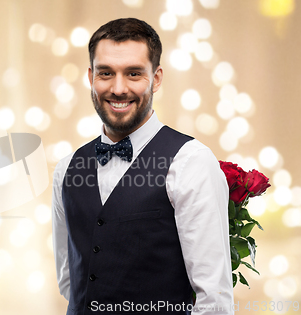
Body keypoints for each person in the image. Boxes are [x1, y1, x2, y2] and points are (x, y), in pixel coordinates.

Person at [51, 18, 234, 314]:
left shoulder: (191, 161)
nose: (118, 88)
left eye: (134, 73)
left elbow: (214, 299)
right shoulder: (66, 169)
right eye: (106, 73)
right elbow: (69, 281)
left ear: (157, 78)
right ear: (90, 77)